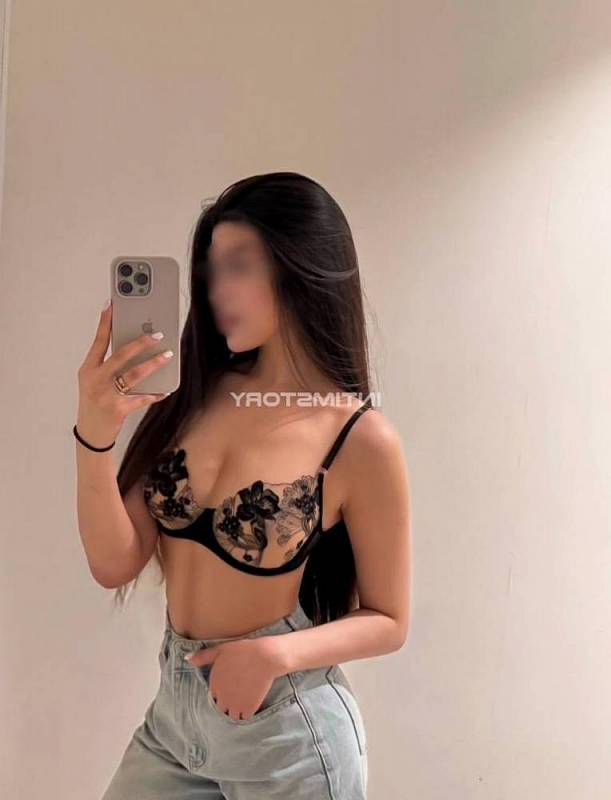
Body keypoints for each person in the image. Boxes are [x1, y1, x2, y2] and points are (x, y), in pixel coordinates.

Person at [74, 171, 411, 800]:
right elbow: (113, 562)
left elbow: (389, 618)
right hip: (173, 724)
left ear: (300, 266)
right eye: (211, 272)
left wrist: (275, 656)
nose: (217, 290)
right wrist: (93, 435)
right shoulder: (195, 396)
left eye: (238, 267)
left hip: (287, 738)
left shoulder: (359, 438)